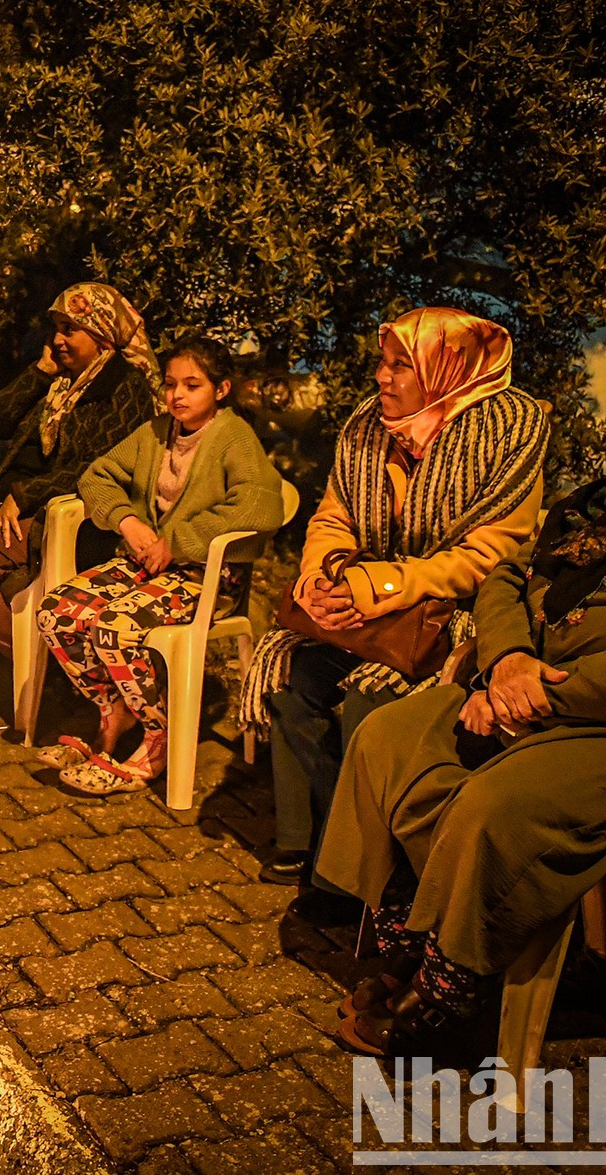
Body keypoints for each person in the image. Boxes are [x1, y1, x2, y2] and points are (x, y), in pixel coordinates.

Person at [319, 362, 606, 1053]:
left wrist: (535, 698)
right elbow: (507, 576)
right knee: (394, 733)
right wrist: (506, 663)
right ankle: (416, 930)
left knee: (500, 801)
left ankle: (454, 987)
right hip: (542, 701)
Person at [237, 307, 547, 884]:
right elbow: (333, 516)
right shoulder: (367, 427)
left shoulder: (510, 432)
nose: (382, 378)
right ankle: (305, 838)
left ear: (447, 370)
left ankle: (355, 868)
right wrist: (327, 576)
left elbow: (489, 557)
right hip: (365, 606)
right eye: (383, 363)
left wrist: (378, 585)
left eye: (401, 365)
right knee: (291, 676)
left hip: (450, 622)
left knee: (367, 703)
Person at [36, 338, 285, 794]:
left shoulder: (234, 438)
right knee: (56, 613)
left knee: (114, 627)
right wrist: (126, 520)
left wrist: (180, 541)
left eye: (193, 385)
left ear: (222, 389)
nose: (178, 396)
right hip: (147, 567)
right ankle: (116, 712)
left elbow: (260, 508)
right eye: (171, 384)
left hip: (206, 579)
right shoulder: (155, 432)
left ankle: (158, 734)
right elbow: (96, 475)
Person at [0, 282, 161, 655]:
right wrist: (39, 373)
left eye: (69, 329)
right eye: (54, 328)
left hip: (60, 511)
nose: (57, 340)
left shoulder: (124, 387)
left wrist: (24, 497)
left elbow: (97, 466)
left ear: (102, 334)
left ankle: (48, 664)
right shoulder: (59, 381)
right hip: (13, 495)